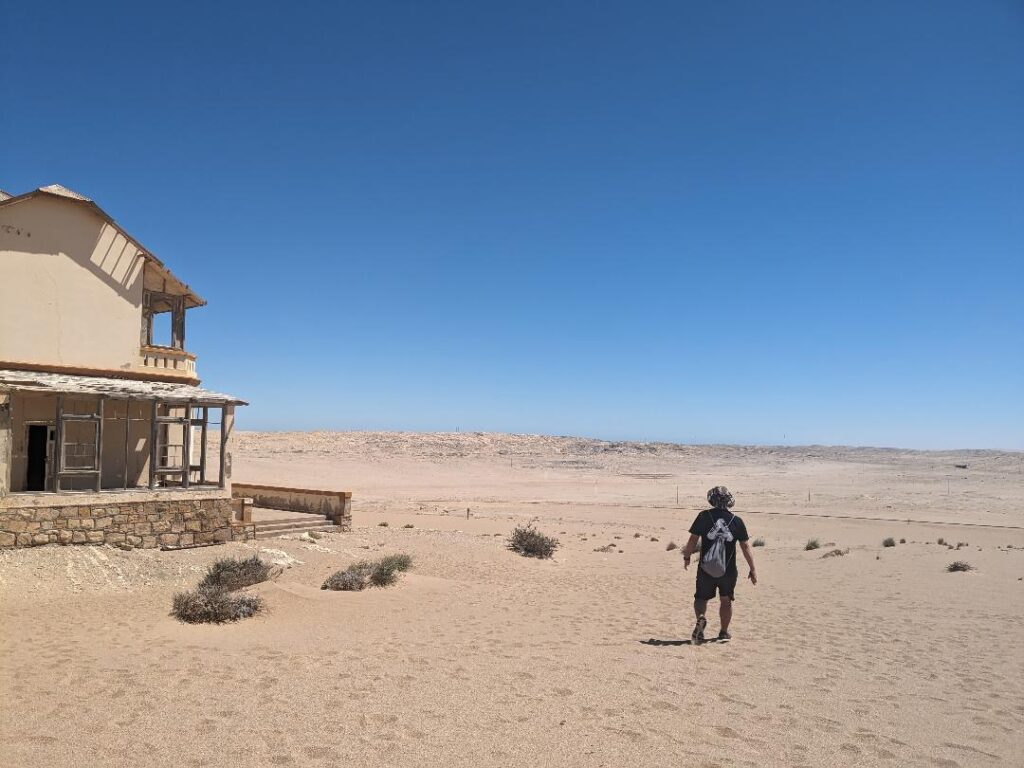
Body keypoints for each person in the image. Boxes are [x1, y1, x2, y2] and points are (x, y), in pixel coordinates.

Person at [682, 486, 757, 644]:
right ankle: (723, 632)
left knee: (701, 598)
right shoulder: (737, 521)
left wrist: (687, 557)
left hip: (705, 568)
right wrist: (752, 568)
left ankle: (701, 617)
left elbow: (692, 541)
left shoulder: (703, 516)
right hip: (728, 571)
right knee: (726, 600)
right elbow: (745, 547)